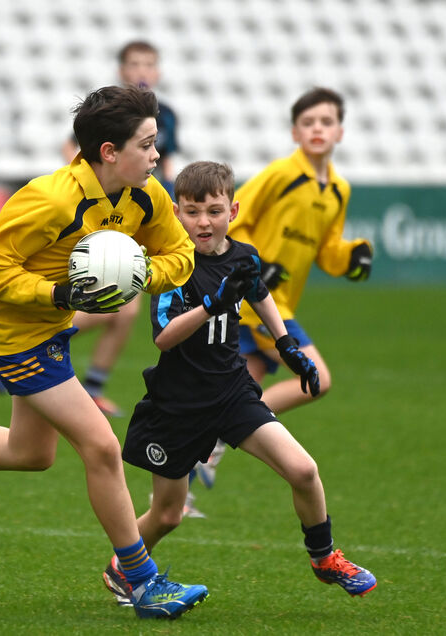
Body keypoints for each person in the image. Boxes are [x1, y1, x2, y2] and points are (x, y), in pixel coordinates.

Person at [0, 85, 208, 620]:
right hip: (11, 333)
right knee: (100, 446)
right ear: (108, 152)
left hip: (52, 330)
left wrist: (142, 274)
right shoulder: (50, 199)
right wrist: (56, 294)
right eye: (146, 144)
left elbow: (181, 253)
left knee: (31, 453)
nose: (156, 155)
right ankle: (143, 583)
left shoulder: (146, 197)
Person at [101, 161, 376, 607]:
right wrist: (212, 305)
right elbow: (163, 336)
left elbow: (260, 294)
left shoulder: (244, 255)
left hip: (231, 392)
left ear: (234, 209)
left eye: (213, 210)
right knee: (169, 514)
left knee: (304, 470)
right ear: (176, 212)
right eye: (191, 212)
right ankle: (123, 568)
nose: (203, 222)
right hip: (178, 405)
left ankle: (324, 558)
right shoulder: (173, 266)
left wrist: (288, 348)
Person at [192, 87, 374, 493]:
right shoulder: (281, 174)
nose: (317, 129)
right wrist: (256, 262)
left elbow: (327, 251)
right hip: (259, 302)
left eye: (326, 122)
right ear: (295, 132)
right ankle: (227, 430)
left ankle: (184, 482)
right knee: (318, 380)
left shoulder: (338, 189)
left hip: (281, 302)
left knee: (237, 388)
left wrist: (351, 258)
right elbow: (234, 218)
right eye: (308, 122)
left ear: (340, 132)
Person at [56, 40, 181, 417]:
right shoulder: (110, 114)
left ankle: (91, 383)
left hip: (137, 207)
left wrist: (170, 196)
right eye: (135, 64)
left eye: (149, 64)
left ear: (158, 72)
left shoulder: (168, 115)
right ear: (122, 70)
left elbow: (165, 161)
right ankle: (44, 342)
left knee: (124, 307)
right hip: (104, 208)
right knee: (118, 304)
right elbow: (71, 149)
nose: (142, 70)